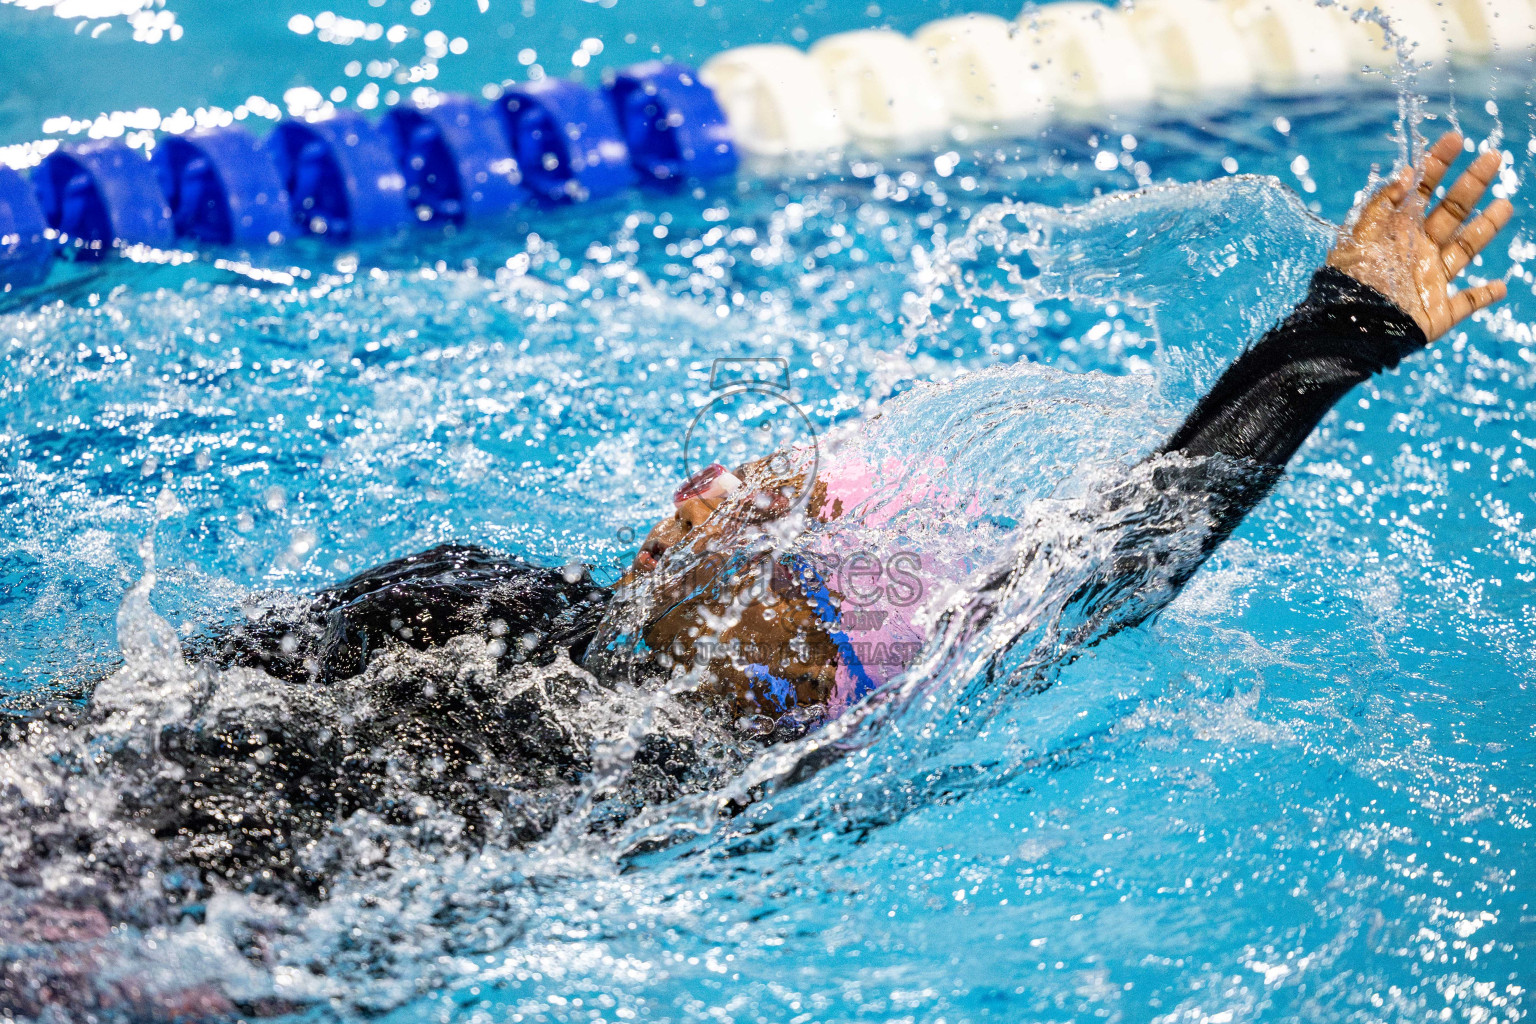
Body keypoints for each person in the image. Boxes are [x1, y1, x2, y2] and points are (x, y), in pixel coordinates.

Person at [0, 132, 1511, 939]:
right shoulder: (475, 596)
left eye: (793, 564)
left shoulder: (749, 784)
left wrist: (1336, 337)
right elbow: (120, 713)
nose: (741, 520)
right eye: (744, 511)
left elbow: (1125, 557)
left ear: (815, 677)